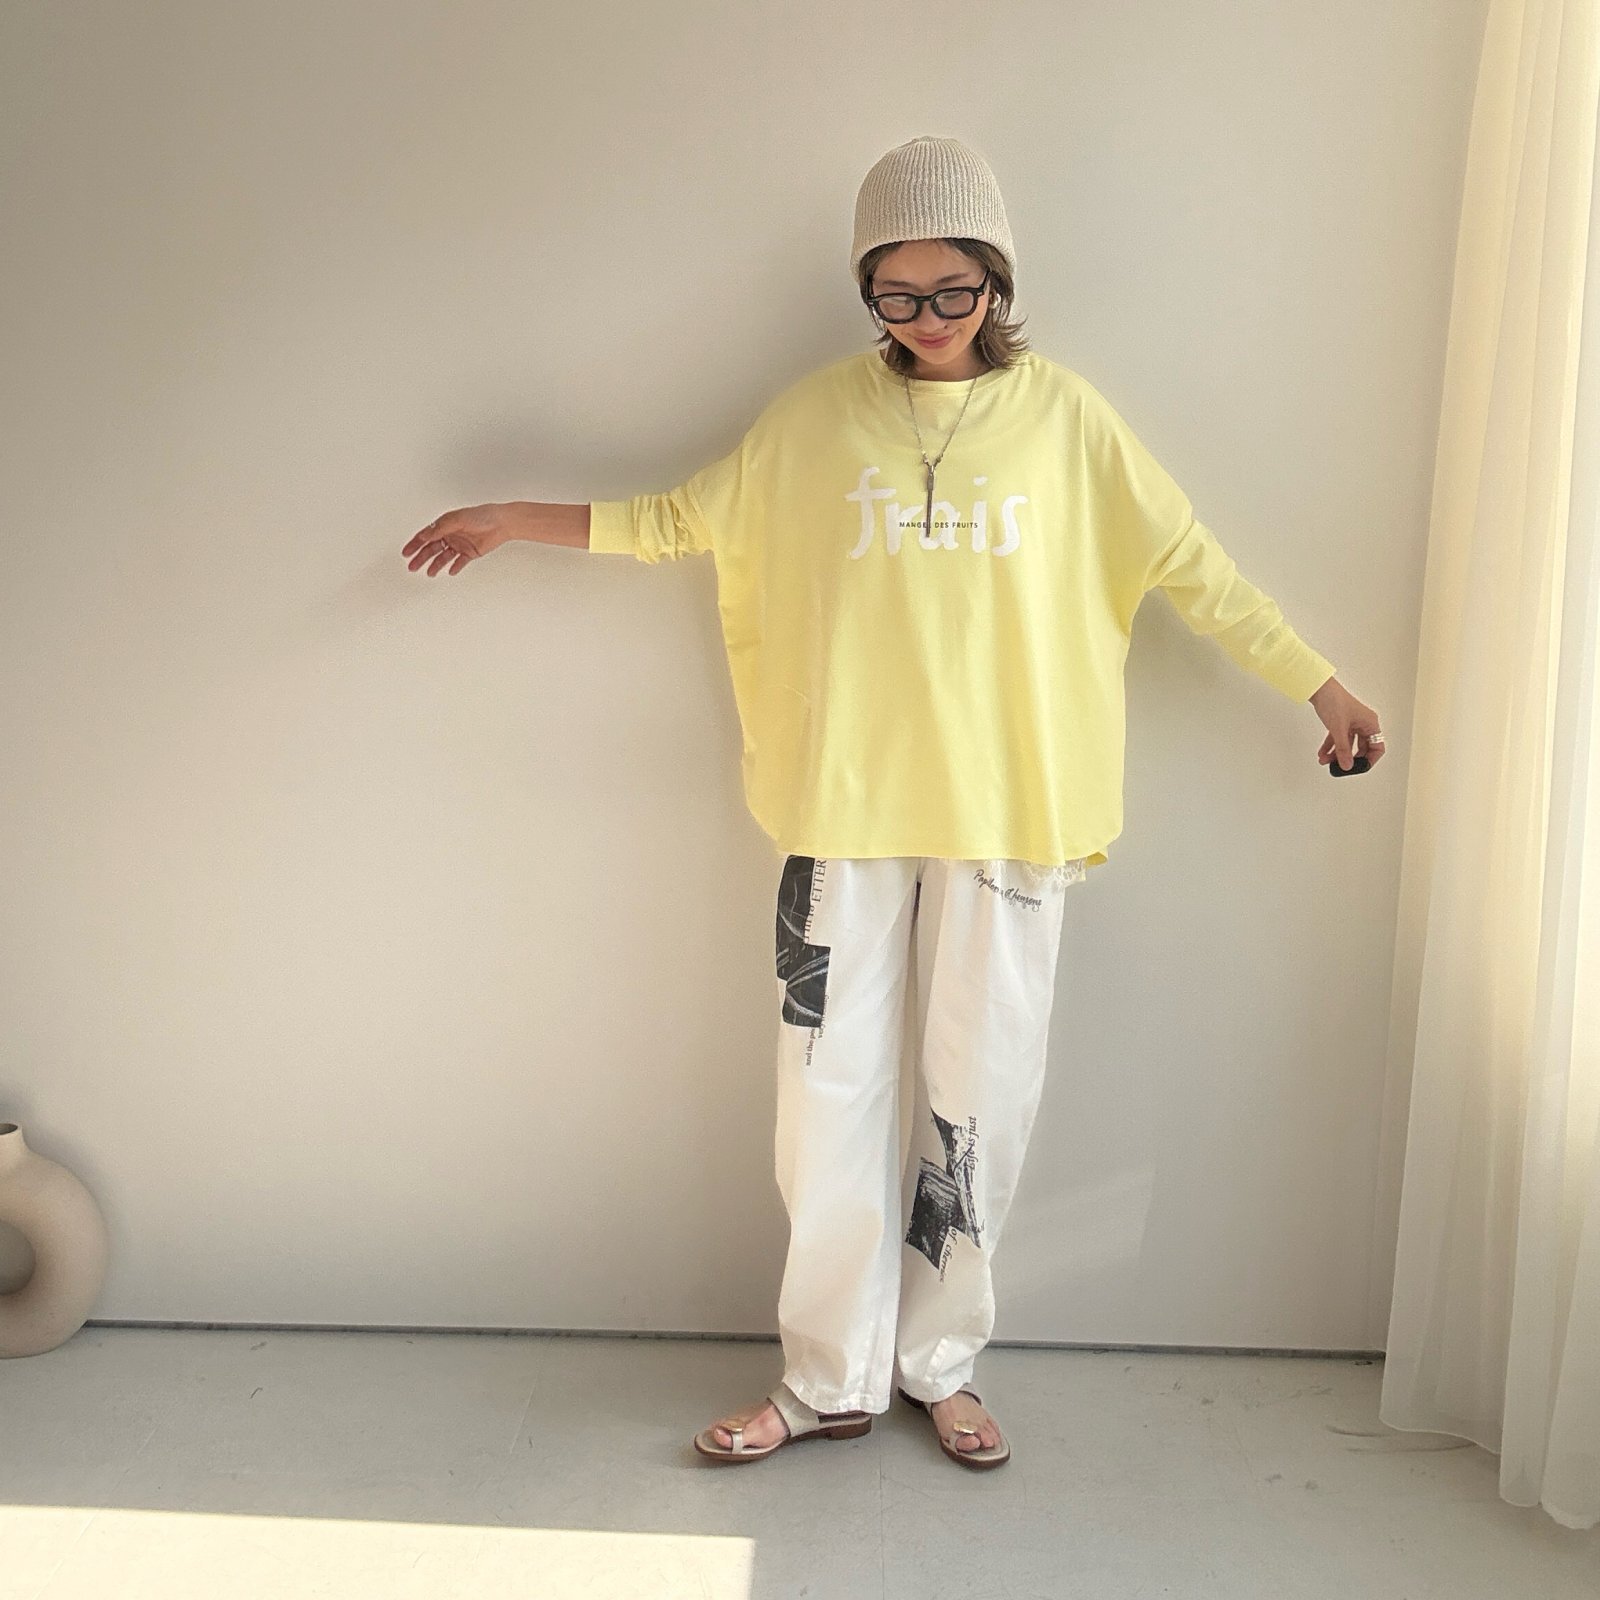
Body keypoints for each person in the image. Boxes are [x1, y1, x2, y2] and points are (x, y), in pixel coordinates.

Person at [400, 135, 1386, 1471]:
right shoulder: (814, 420)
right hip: (843, 809)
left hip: (1012, 810)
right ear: (867, 287)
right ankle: (826, 1379)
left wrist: (1318, 682)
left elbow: (1193, 568)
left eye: (954, 290)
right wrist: (519, 516)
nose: (927, 318)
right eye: (898, 293)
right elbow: (684, 519)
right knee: (827, 1102)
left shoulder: (1068, 421)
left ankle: (942, 1365)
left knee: (982, 1099)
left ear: (997, 280)